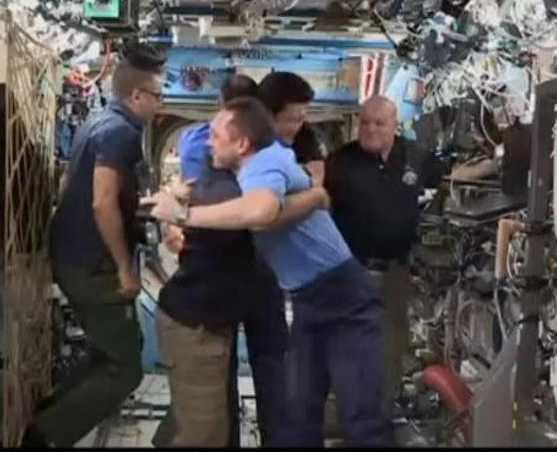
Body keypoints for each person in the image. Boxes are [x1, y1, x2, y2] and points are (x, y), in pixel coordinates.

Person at [143, 97, 392, 447]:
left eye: (215, 135)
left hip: (344, 299)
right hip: (308, 298)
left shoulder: (264, 162)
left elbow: (260, 212)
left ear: (242, 143)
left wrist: (182, 216)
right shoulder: (247, 172)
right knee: (298, 416)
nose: (207, 141)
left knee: (361, 417)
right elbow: (267, 210)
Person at [151, 74, 327, 447]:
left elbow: (268, 209)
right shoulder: (214, 157)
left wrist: (313, 193)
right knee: (209, 411)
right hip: (209, 300)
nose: (297, 127)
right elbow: (259, 212)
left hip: (258, 282)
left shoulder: (293, 147)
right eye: (292, 119)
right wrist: (178, 216)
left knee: (271, 374)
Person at [22, 47, 166, 447]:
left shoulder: (98, 120)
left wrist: (138, 205)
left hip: (71, 255)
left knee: (117, 348)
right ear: (137, 96)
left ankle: (51, 410)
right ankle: (46, 436)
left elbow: (74, 183)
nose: (162, 103)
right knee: (126, 370)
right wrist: (124, 267)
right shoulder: (122, 133)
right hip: (93, 265)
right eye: (158, 95)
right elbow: (102, 202)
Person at [324, 95, 442, 419]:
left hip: (395, 273)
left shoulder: (414, 157)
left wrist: (494, 161)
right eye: (365, 122)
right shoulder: (340, 162)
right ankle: (346, 413)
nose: (371, 129)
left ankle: (381, 417)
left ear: (395, 125)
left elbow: (449, 177)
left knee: (391, 347)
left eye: (379, 123)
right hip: (352, 274)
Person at [257, 71, 327, 185]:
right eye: (293, 120)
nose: (298, 127)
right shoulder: (248, 146)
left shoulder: (306, 137)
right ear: (267, 116)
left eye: (302, 119)